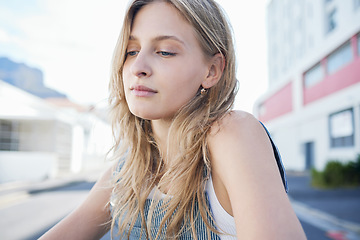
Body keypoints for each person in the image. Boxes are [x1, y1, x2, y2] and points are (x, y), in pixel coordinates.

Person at [40, 0, 307, 239]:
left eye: (165, 51)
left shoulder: (233, 133)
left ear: (212, 70)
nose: (138, 67)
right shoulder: (125, 173)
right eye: (131, 51)